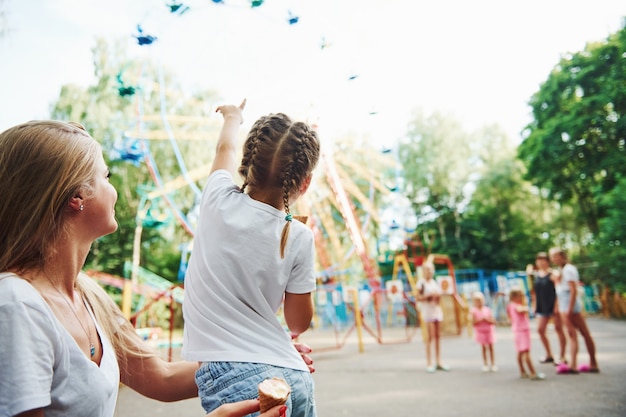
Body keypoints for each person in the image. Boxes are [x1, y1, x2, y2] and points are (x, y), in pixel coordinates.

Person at [0, 120, 312, 417]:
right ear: (76, 198)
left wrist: (262, 359)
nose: (114, 189)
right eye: (105, 176)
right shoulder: (17, 305)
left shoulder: (89, 297)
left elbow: (161, 377)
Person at [182, 100, 321, 417]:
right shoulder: (298, 236)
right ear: (305, 183)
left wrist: (233, 117)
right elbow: (299, 322)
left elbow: (224, 149)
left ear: (247, 165)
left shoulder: (217, 200)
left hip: (236, 381)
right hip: (293, 375)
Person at [549, 247, 600, 374]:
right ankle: (587, 363)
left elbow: (573, 290)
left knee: (579, 334)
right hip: (564, 306)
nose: (553, 259)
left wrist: (569, 309)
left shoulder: (569, 270)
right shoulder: (562, 270)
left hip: (569, 307)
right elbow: (561, 291)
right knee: (577, 334)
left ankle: (575, 364)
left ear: (562, 256)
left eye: (554, 256)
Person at [526, 251, 567, 366]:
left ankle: (563, 355)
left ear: (547, 262)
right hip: (541, 306)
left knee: (559, 329)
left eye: (543, 260)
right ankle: (549, 354)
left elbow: (559, 290)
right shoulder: (536, 275)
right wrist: (534, 305)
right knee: (540, 330)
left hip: (553, 305)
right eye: (539, 260)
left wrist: (557, 305)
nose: (541, 263)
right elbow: (534, 292)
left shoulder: (553, 274)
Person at [416, 261, 449, 373]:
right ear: (423, 271)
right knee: (429, 337)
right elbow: (418, 297)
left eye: (430, 269)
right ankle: (429, 362)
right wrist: (428, 296)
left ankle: (438, 361)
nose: (429, 271)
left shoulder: (434, 283)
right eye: (427, 269)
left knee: (438, 337)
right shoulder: (421, 283)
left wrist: (437, 296)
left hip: (436, 310)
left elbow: (438, 298)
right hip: (428, 312)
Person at [507, 288, 545, 380]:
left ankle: (522, 371)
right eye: (522, 296)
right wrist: (528, 308)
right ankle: (533, 372)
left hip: (517, 331)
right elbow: (521, 310)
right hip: (522, 331)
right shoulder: (516, 305)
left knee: (520, 352)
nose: (523, 298)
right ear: (515, 297)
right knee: (526, 352)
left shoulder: (510, 306)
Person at [470, 291, 497, 372]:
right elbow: (473, 323)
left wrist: (487, 320)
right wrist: (481, 319)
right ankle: (485, 363)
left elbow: (493, 321)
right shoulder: (473, 311)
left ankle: (493, 364)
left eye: (480, 300)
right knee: (484, 348)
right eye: (477, 301)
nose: (479, 303)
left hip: (489, 331)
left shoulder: (487, 310)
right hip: (480, 332)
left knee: (491, 347)